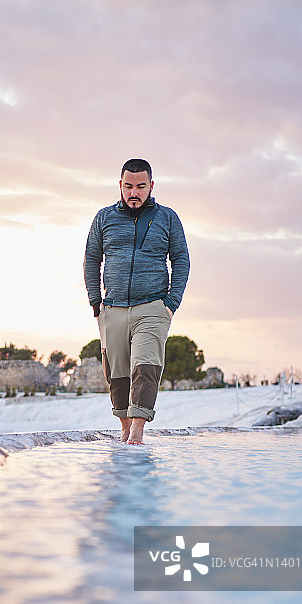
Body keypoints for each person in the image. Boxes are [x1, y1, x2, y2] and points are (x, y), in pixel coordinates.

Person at [83, 158, 190, 444]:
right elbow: (92, 259)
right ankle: (124, 425)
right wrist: (97, 304)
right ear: (120, 185)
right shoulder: (104, 218)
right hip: (112, 307)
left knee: (146, 366)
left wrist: (171, 303)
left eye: (141, 186)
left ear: (151, 186)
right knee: (116, 373)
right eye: (128, 186)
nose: (134, 192)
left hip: (153, 306)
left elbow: (181, 259)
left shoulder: (167, 218)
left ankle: (138, 430)